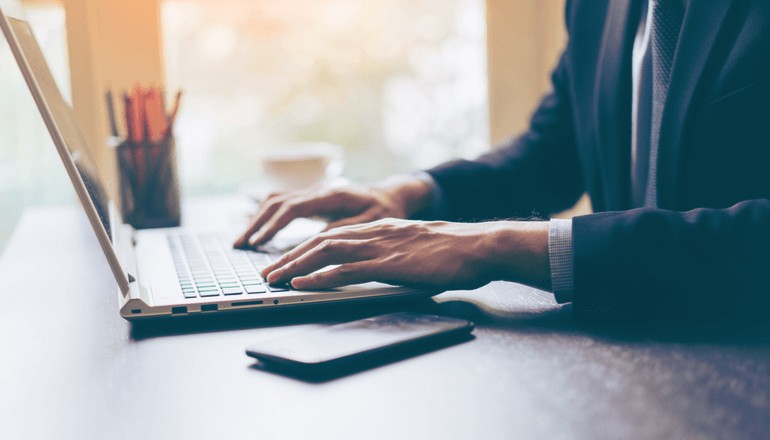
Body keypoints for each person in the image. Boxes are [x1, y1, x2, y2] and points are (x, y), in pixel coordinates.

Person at [234, 0, 770, 318]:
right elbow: (551, 157)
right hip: (627, 354)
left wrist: (496, 244)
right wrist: (408, 193)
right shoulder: (597, 7)